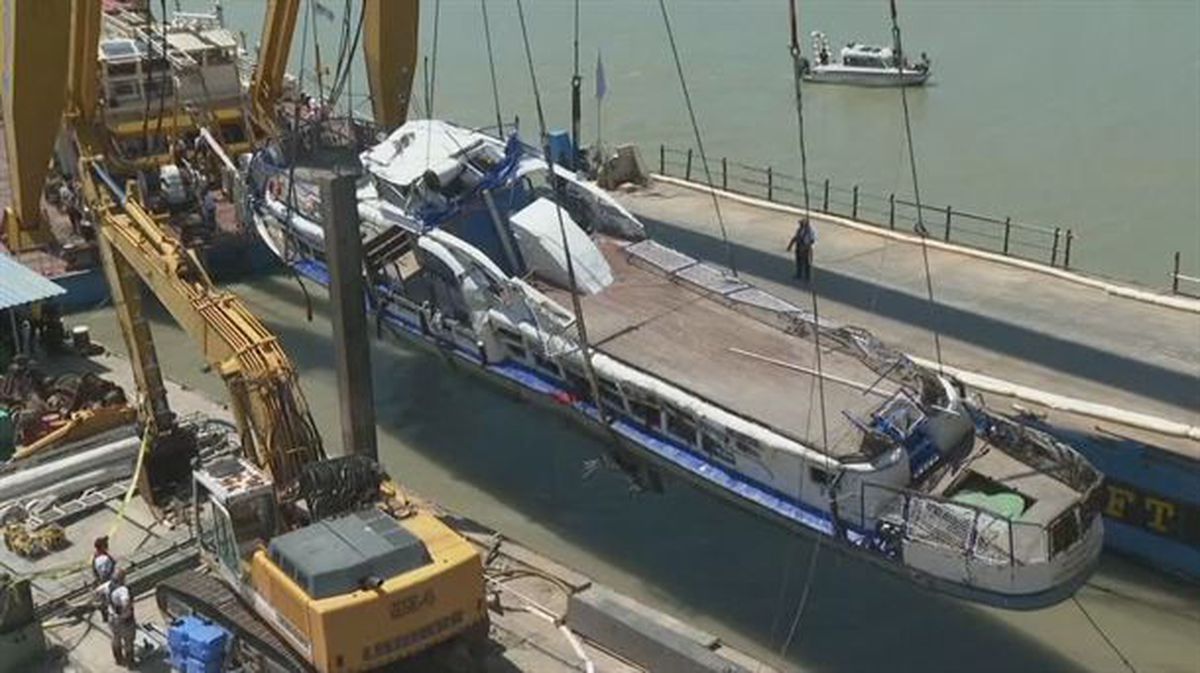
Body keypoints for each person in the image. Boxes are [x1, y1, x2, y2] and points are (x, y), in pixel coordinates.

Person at [107, 567, 137, 667]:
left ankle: (118, 659)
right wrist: (123, 613)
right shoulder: (123, 590)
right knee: (128, 642)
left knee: (116, 638)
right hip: (125, 620)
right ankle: (130, 663)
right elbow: (126, 602)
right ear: (122, 578)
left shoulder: (108, 585)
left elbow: (96, 592)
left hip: (112, 618)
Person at [92, 536, 116, 622]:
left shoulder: (97, 556)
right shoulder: (103, 559)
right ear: (102, 547)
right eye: (105, 544)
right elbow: (104, 575)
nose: (107, 546)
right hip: (108, 583)